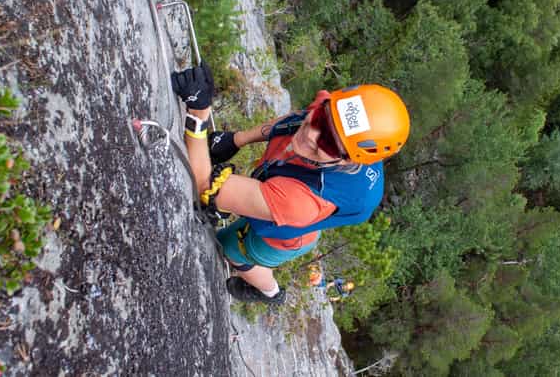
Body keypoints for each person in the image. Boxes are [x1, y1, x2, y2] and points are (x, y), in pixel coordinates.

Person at [170, 61, 410, 305]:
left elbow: (206, 187)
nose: (311, 134)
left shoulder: (298, 203)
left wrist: (198, 115)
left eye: (327, 142)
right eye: (319, 118)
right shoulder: (337, 118)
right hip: (283, 196)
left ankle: (270, 293)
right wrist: (237, 140)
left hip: (283, 236)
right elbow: (293, 121)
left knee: (230, 248)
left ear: (348, 159)